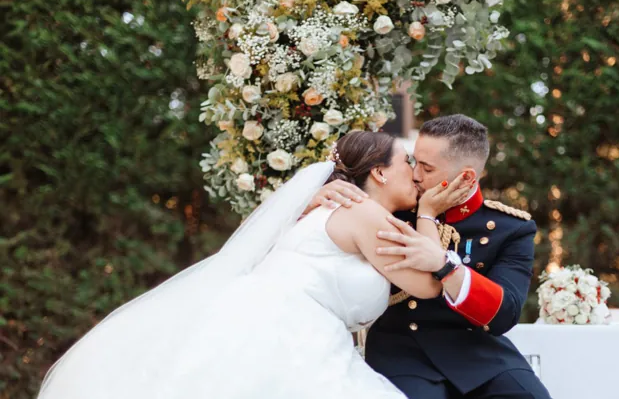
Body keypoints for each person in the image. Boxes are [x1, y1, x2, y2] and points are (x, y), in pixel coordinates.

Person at [36, 131, 469, 399]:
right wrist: (429, 213)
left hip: (256, 325)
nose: (415, 173)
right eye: (407, 163)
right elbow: (429, 284)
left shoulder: (321, 210)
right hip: (289, 339)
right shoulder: (365, 213)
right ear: (377, 173)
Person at [309, 115, 552, 399]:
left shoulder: (511, 228)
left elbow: (504, 314)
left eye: (426, 168)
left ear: (466, 177)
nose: (415, 175)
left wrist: (445, 266)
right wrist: (315, 198)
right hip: (400, 350)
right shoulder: (394, 206)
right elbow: (325, 228)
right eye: (413, 162)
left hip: (476, 352)